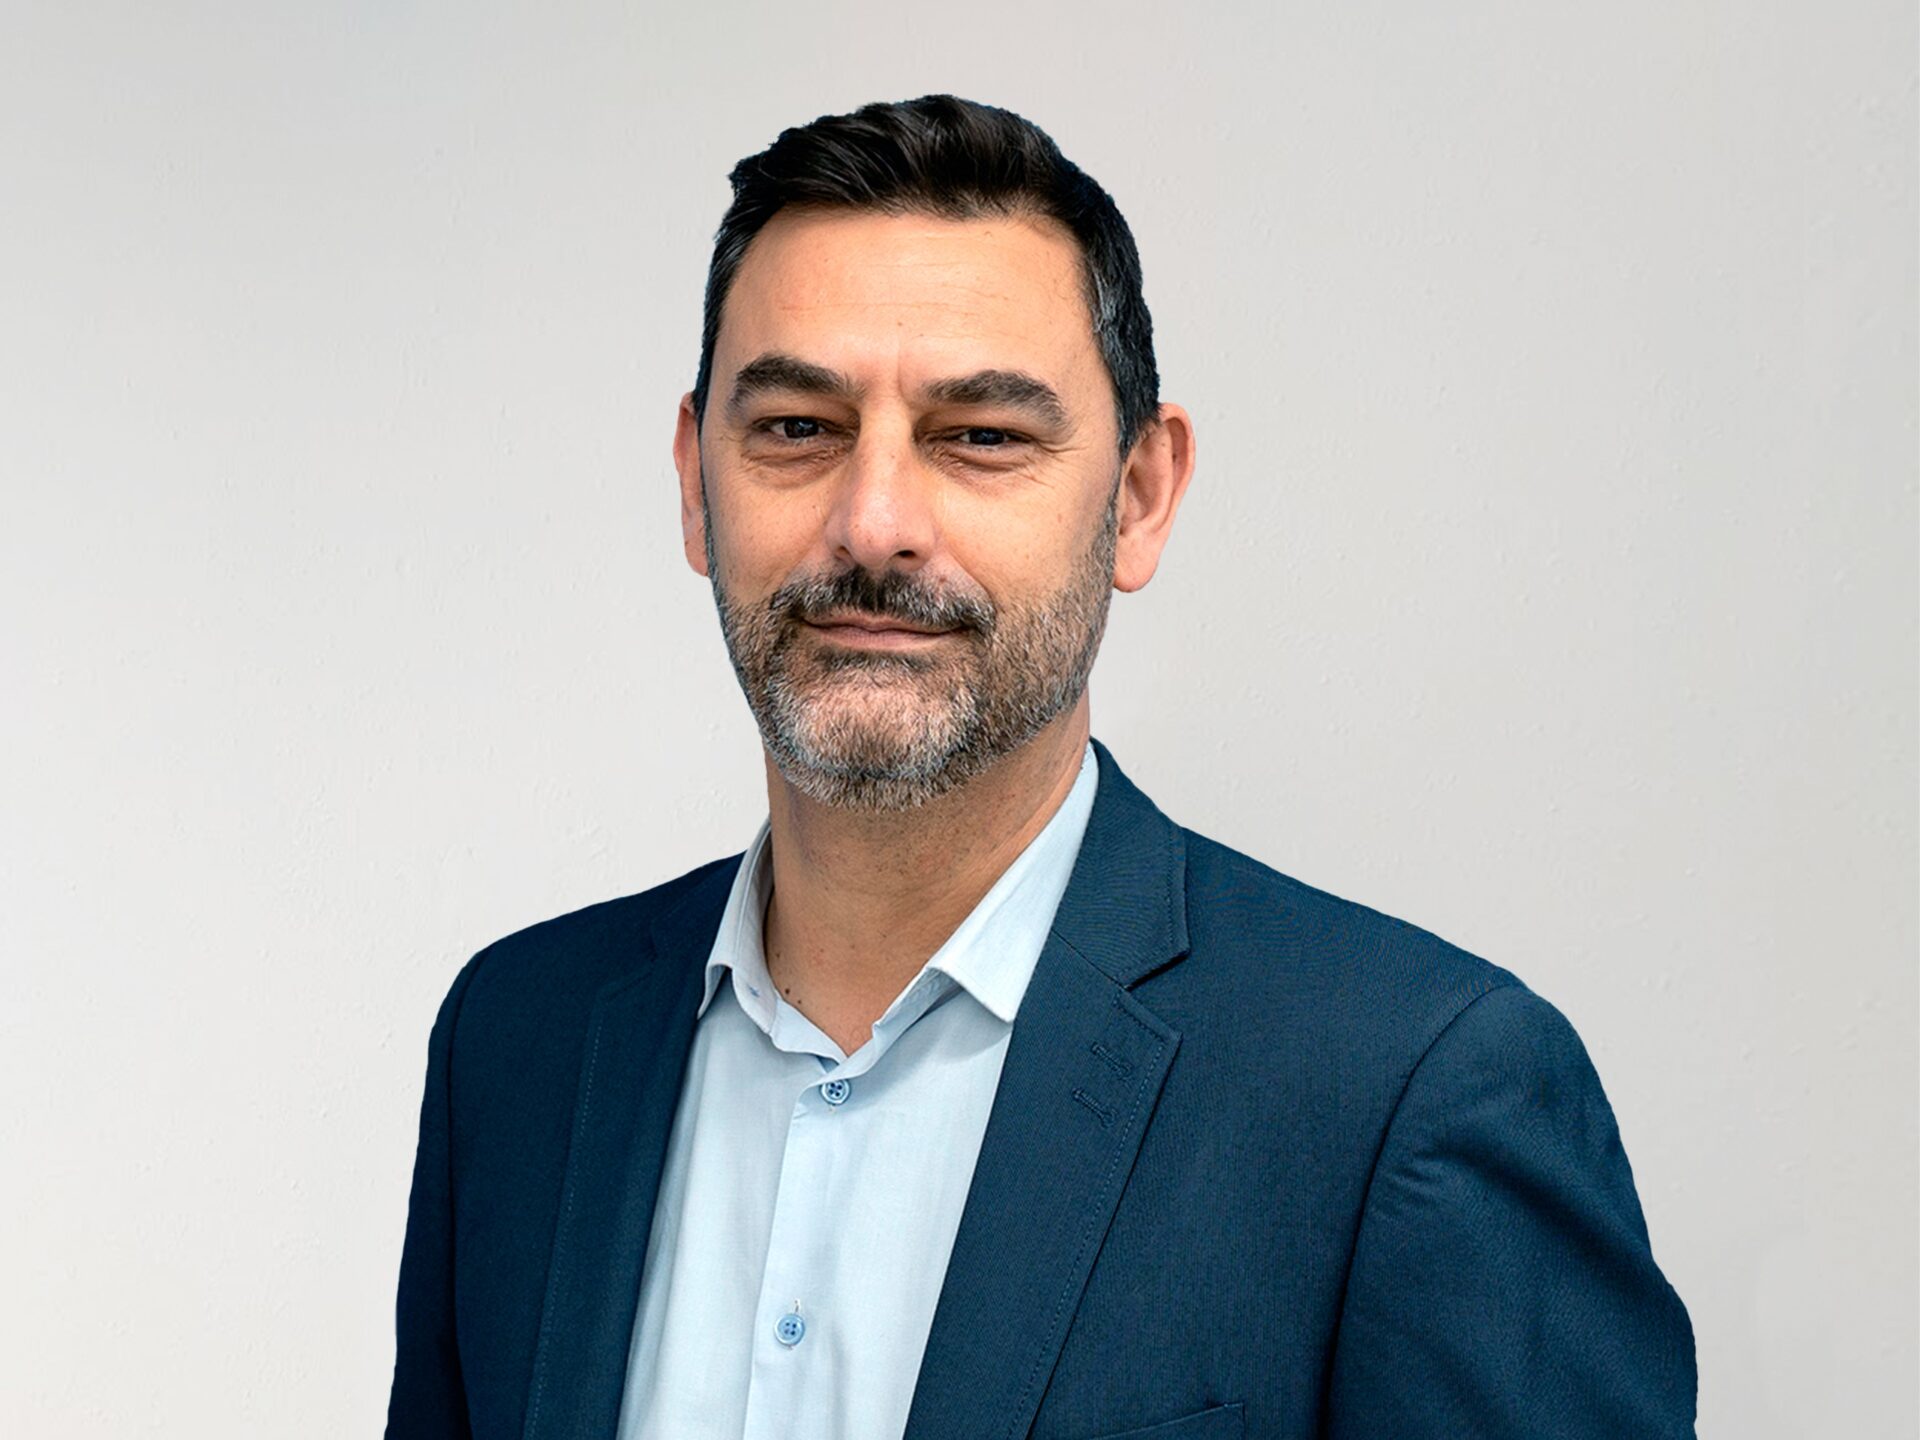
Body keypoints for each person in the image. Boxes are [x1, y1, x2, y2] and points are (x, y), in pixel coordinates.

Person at [384, 94, 1696, 1440]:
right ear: (693, 481)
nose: (874, 523)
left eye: (982, 437)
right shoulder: (519, 1040)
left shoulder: (1408, 1092)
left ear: (1139, 496)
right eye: (797, 427)